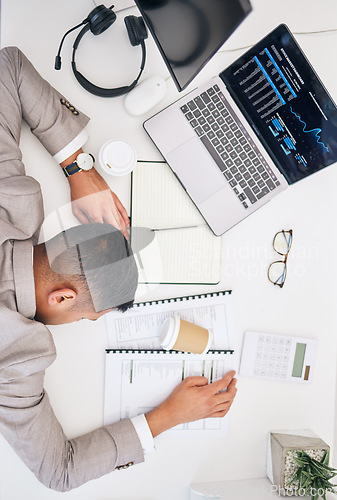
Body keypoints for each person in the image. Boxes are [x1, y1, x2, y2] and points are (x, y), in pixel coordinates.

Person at [0, 46, 237, 492]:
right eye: (93, 316)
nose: (88, 321)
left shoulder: (11, 200)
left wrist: (76, 167)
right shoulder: (17, 360)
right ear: (64, 298)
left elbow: (9, 65)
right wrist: (168, 417)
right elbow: (58, 472)